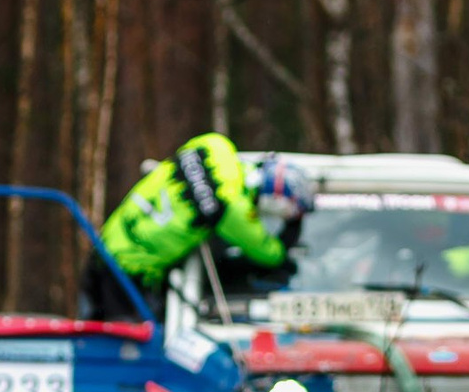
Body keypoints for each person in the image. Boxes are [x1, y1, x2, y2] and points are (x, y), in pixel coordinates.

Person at [80, 134, 315, 322]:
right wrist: (292, 227)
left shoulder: (215, 146)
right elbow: (271, 254)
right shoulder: (233, 212)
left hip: (106, 244)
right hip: (131, 274)